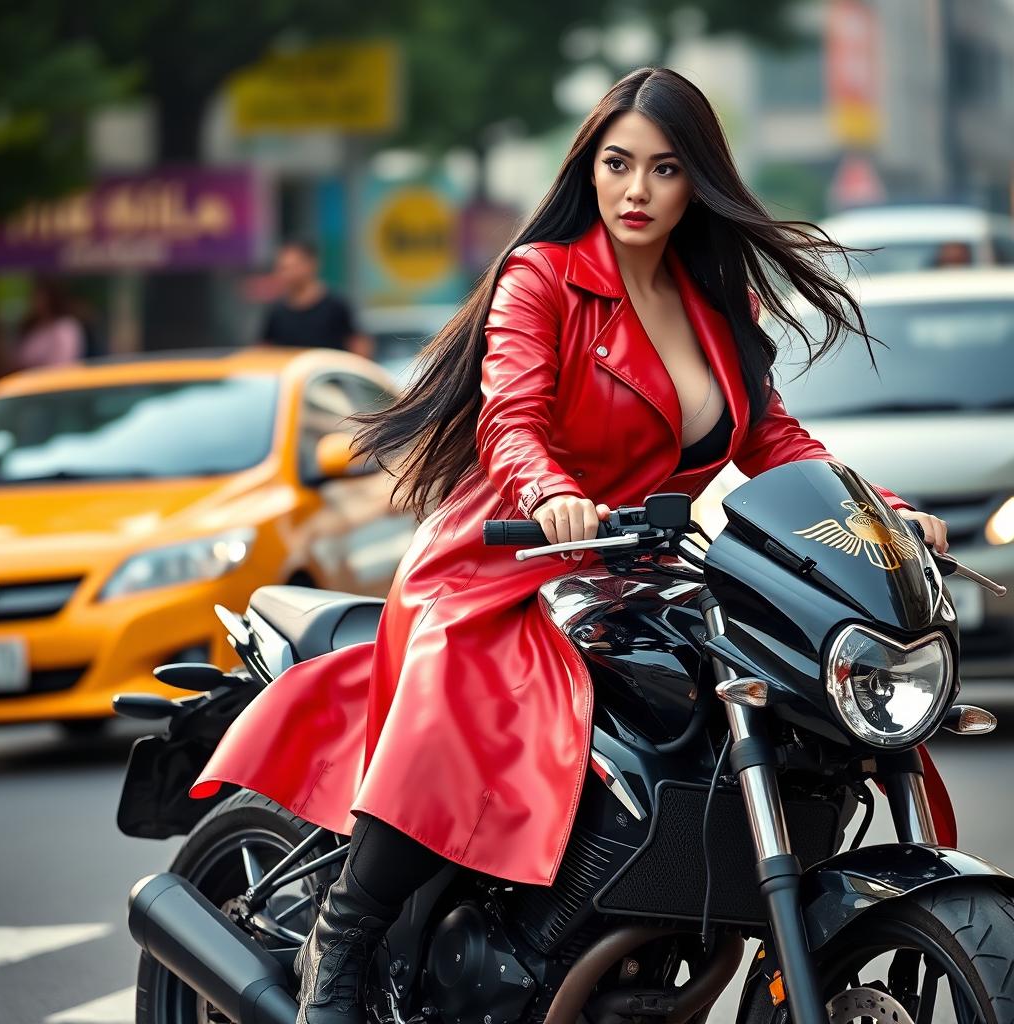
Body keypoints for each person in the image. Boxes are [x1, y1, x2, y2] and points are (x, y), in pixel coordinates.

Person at [192, 68, 951, 1024]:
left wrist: (878, 509)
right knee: (460, 698)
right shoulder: (542, 276)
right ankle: (341, 945)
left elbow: (775, 441)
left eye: (664, 169)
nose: (637, 190)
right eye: (617, 163)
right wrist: (553, 493)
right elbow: (511, 420)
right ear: (588, 169)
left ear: (696, 183)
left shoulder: (719, 305)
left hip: (633, 572)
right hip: (500, 559)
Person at [259, 240, 373, 357]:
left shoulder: (336, 305)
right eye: (282, 268)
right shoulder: (277, 311)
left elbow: (359, 345)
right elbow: (265, 350)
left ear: (311, 265)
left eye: (291, 267)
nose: (286, 274)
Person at [14, 276, 86, 370]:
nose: (33, 301)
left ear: (50, 297)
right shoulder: (32, 325)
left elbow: (61, 365)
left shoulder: (65, 328)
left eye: (38, 296)